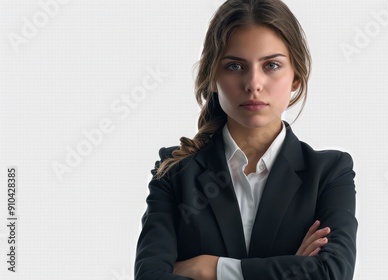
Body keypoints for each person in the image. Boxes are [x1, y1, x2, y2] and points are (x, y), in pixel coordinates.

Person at [134, 0, 358, 279]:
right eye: (235, 67)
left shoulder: (329, 172)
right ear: (212, 76)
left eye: (272, 65)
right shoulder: (175, 171)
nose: (253, 83)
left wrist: (211, 268)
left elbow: (330, 273)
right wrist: (291, 267)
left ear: (297, 77)